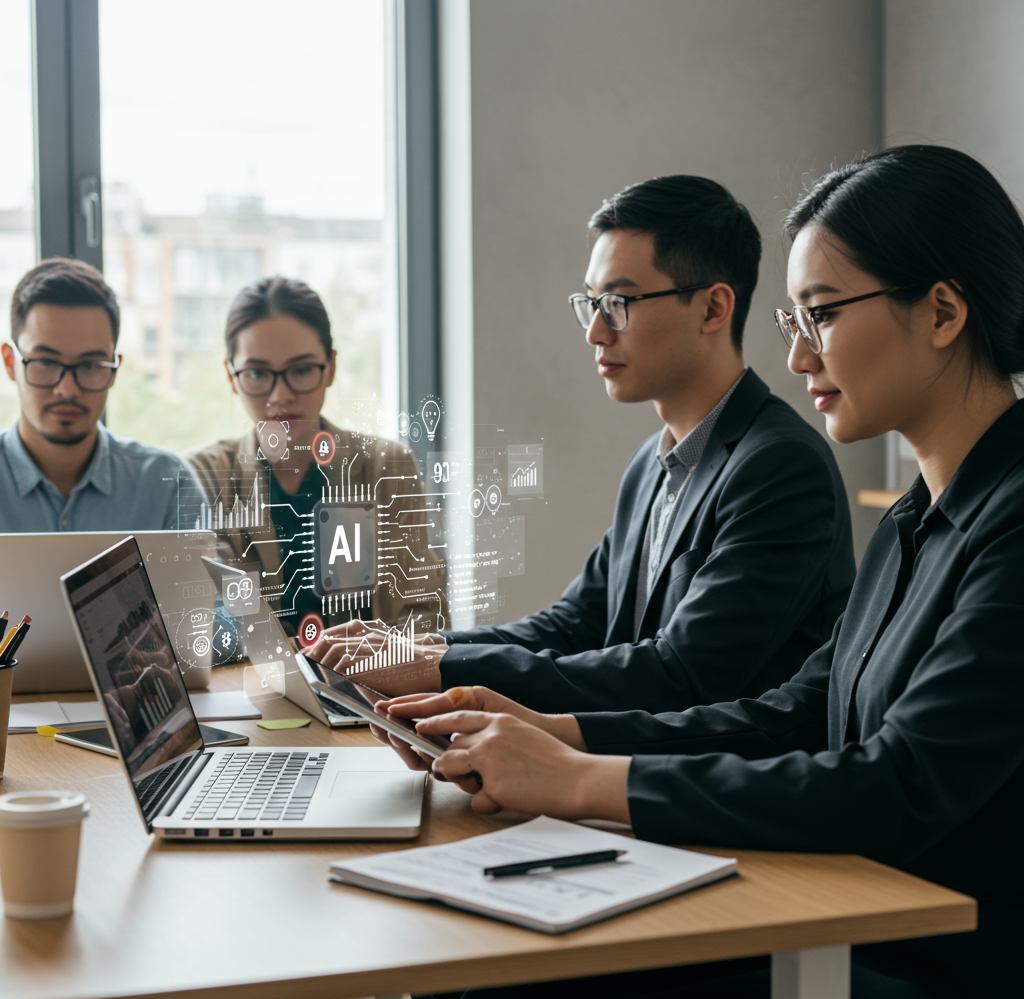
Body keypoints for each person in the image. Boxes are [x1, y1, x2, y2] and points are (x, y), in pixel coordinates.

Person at [381, 146, 1024, 999]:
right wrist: (556, 736)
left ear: (943, 311)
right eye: (793, 320)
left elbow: (898, 781)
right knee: (460, 967)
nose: (796, 355)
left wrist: (580, 779)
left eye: (821, 315)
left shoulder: (1008, 521)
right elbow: (796, 713)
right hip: (846, 905)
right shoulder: (914, 516)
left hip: (943, 959)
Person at [310, 175, 855, 715]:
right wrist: (414, 649)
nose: (595, 331)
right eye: (590, 303)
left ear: (712, 309)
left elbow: (681, 673)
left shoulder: (780, 466)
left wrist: (438, 668)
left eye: (617, 302)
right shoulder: (650, 464)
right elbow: (575, 623)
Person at [187, 276, 446, 638]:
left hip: (374, 674)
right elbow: (206, 625)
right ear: (231, 377)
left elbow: (425, 615)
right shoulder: (203, 476)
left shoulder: (387, 466)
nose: (280, 396)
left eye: (301, 370)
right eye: (258, 373)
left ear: (331, 367)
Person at [0, 257, 201, 532]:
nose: (68, 390)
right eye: (46, 362)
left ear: (114, 370)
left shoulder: (166, 485)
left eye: (91, 365)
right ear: (10, 363)